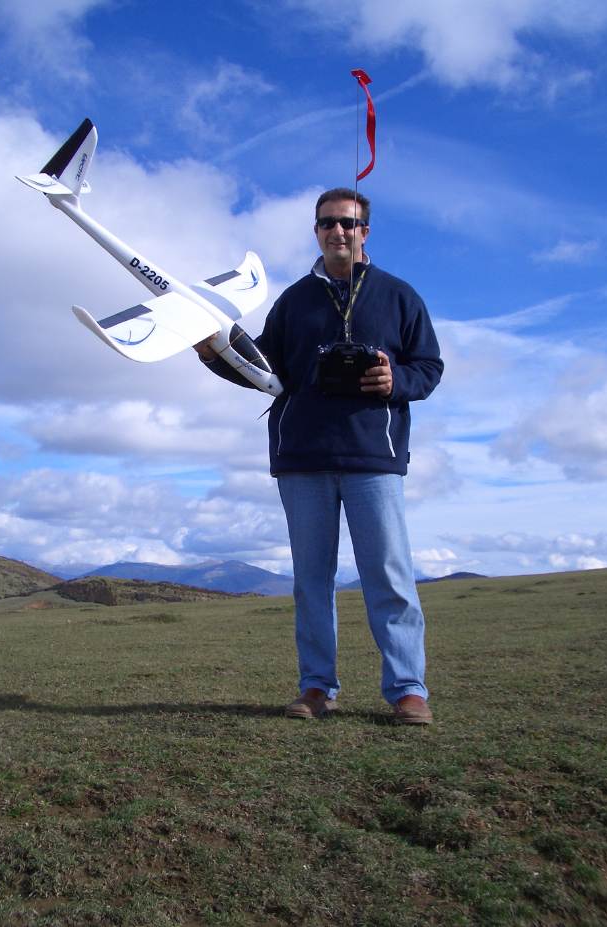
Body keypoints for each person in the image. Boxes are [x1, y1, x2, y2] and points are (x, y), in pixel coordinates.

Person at [195, 188, 443, 724]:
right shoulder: (293, 300)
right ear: (316, 231)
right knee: (311, 580)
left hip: (373, 457)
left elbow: (429, 366)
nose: (338, 231)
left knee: (389, 575)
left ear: (365, 232)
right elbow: (262, 371)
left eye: (348, 224)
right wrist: (213, 353)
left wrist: (396, 380)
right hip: (302, 458)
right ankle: (316, 687)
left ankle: (407, 690)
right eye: (328, 223)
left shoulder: (399, 296)